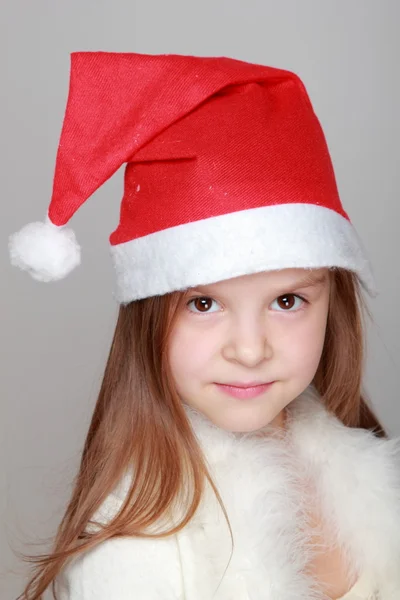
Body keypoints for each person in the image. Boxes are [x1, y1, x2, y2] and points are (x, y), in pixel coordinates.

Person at [9, 51, 400, 600]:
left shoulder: (367, 471)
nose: (249, 348)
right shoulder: (134, 548)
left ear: (332, 302)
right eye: (203, 304)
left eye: (287, 300)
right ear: (148, 316)